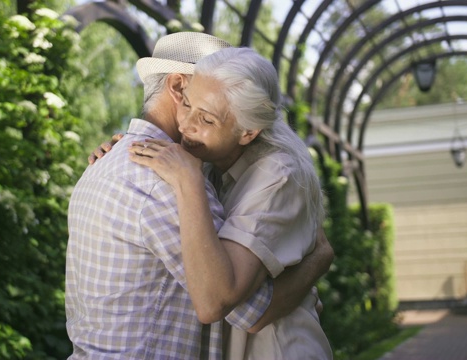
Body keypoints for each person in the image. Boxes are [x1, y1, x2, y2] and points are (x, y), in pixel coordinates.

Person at [67, 32, 332, 359]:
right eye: (192, 101)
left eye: (208, 112)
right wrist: (316, 262)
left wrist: (318, 254)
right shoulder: (171, 179)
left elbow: (233, 304)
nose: (192, 121)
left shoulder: (114, 167)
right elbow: (245, 309)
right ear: (179, 88)